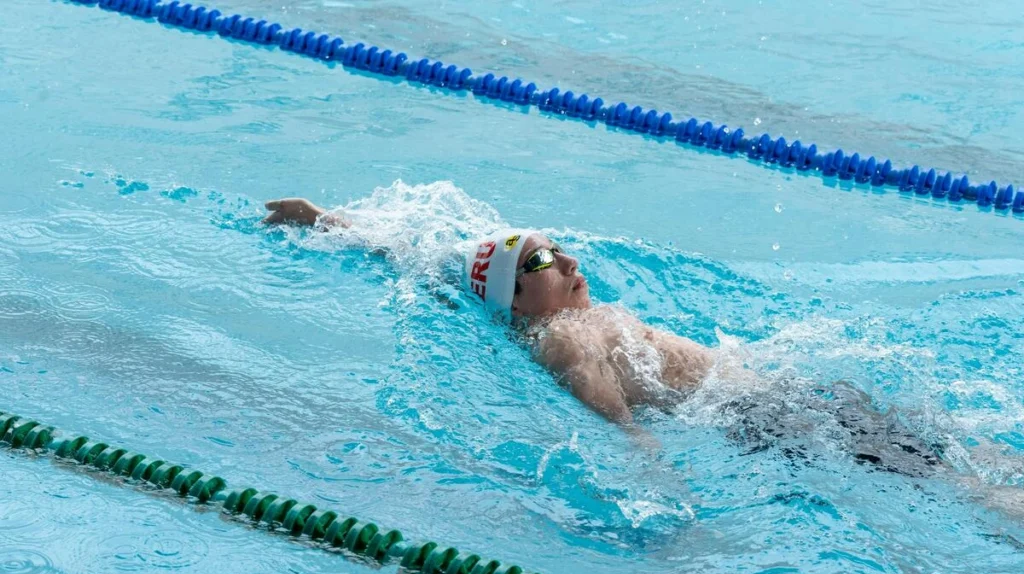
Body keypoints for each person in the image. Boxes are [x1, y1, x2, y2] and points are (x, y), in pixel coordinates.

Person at [263, 196, 961, 480]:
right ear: (514, 298)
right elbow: (612, 411)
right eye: (540, 262)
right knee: (947, 474)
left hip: (779, 399)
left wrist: (326, 219)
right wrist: (644, 458)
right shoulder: (563, 336)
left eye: (559, 250)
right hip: (772, 419)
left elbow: (422, 257)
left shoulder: (541, 314)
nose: (568, 263)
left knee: (950, 458)